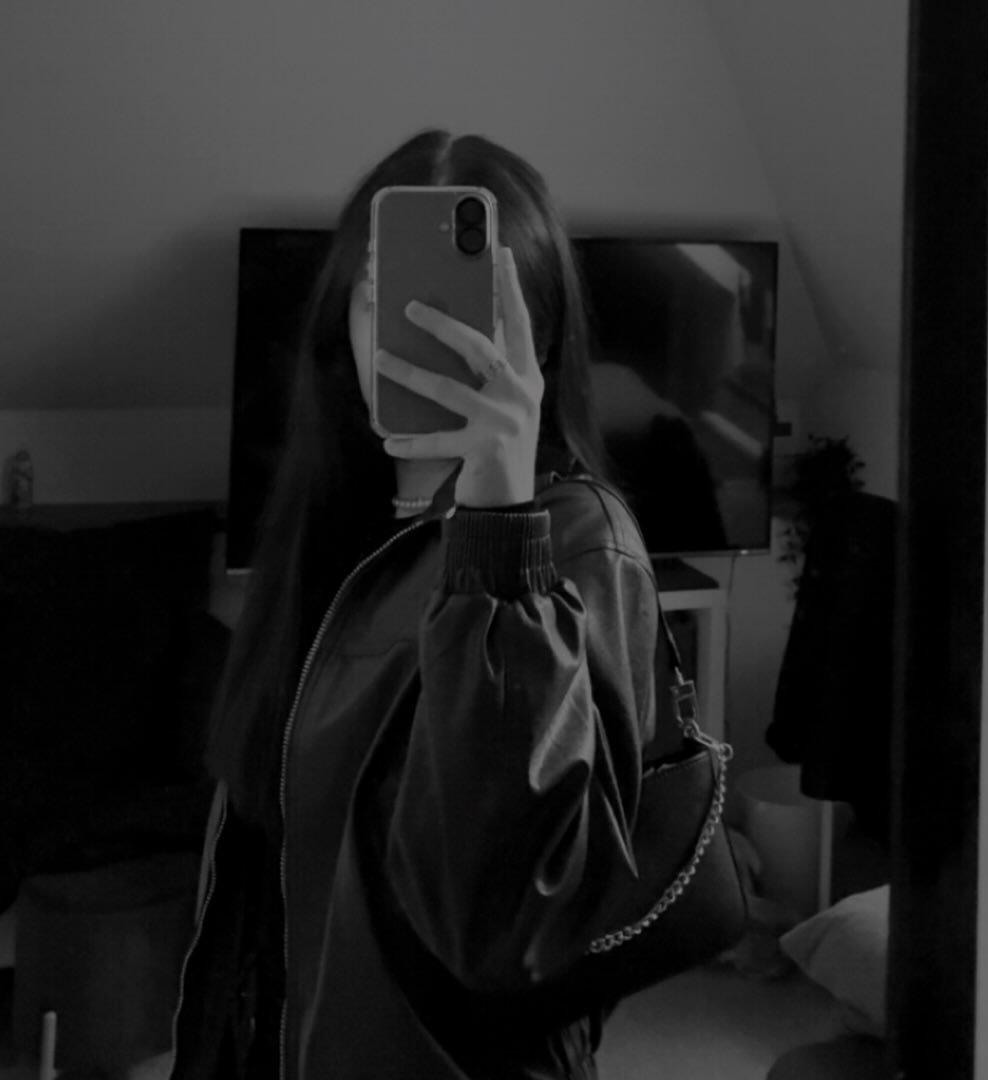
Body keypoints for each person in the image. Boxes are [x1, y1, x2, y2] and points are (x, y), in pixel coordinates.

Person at [167, 129, 662, 1080]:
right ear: (344, 322)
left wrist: (497, 528)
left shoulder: (578, 544)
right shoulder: (326, 530)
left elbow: (506, 926)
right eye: (380, 297)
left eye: (472, 308)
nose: (424, 334)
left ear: (538, 338)